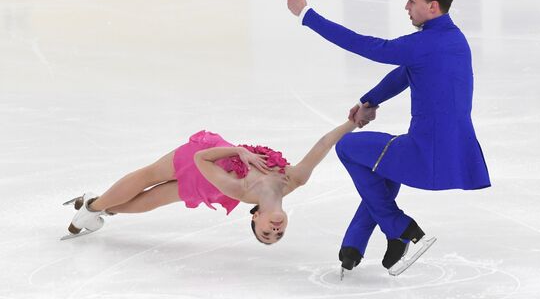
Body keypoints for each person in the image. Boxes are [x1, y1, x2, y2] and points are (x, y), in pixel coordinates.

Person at [283, 0, 491, 276]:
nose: (407, 7)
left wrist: (306, 14)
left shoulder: (423, 44)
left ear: (432, 7)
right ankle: (353, 246)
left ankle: (402, 228)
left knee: (348, 147)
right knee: (383, 167)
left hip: (427, 152)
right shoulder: (453, 40)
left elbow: (367, 46)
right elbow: (406, 73)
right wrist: (370, 101)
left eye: (412, 1)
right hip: (454, 149)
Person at [62, 114, 377, 244]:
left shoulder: (242, 190)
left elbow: (201, 159)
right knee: (151, 188)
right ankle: (97, 209)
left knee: (150, 181)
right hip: (209, 177)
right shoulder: (294, 179)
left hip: (206, 164)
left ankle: (94, 205)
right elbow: (324, 144)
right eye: (277, 236)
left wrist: (240, 152)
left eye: (266, 234)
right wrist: (353, 122)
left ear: (256, 217)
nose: (275, 232)